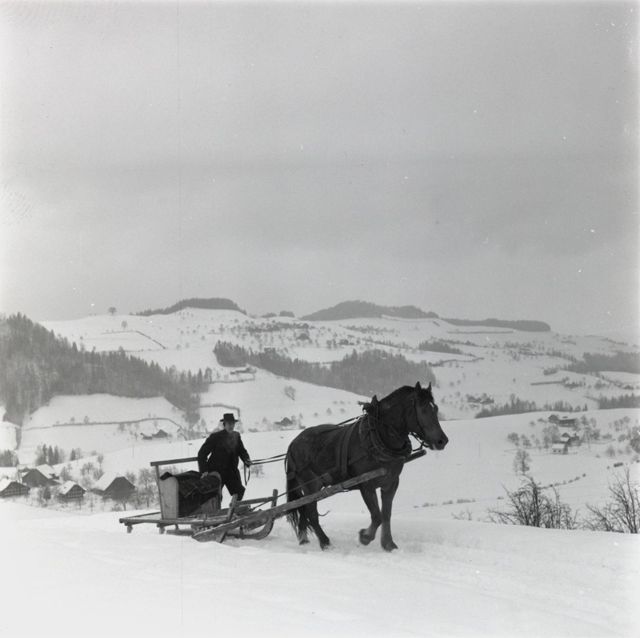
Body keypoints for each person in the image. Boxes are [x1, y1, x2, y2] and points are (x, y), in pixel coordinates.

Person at [197, 413, 251, 500]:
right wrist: (204, 470)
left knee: (239, 492)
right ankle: (217, 509)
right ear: (224, 424)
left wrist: (246, 459)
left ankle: (234, 507)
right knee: (215, 496)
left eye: (232, 423)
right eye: (229, 424)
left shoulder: (236, 436)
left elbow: (242, 451)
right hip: (217, 472)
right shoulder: (215, 437)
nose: (231, 426)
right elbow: (202, 454)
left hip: (231, 472)